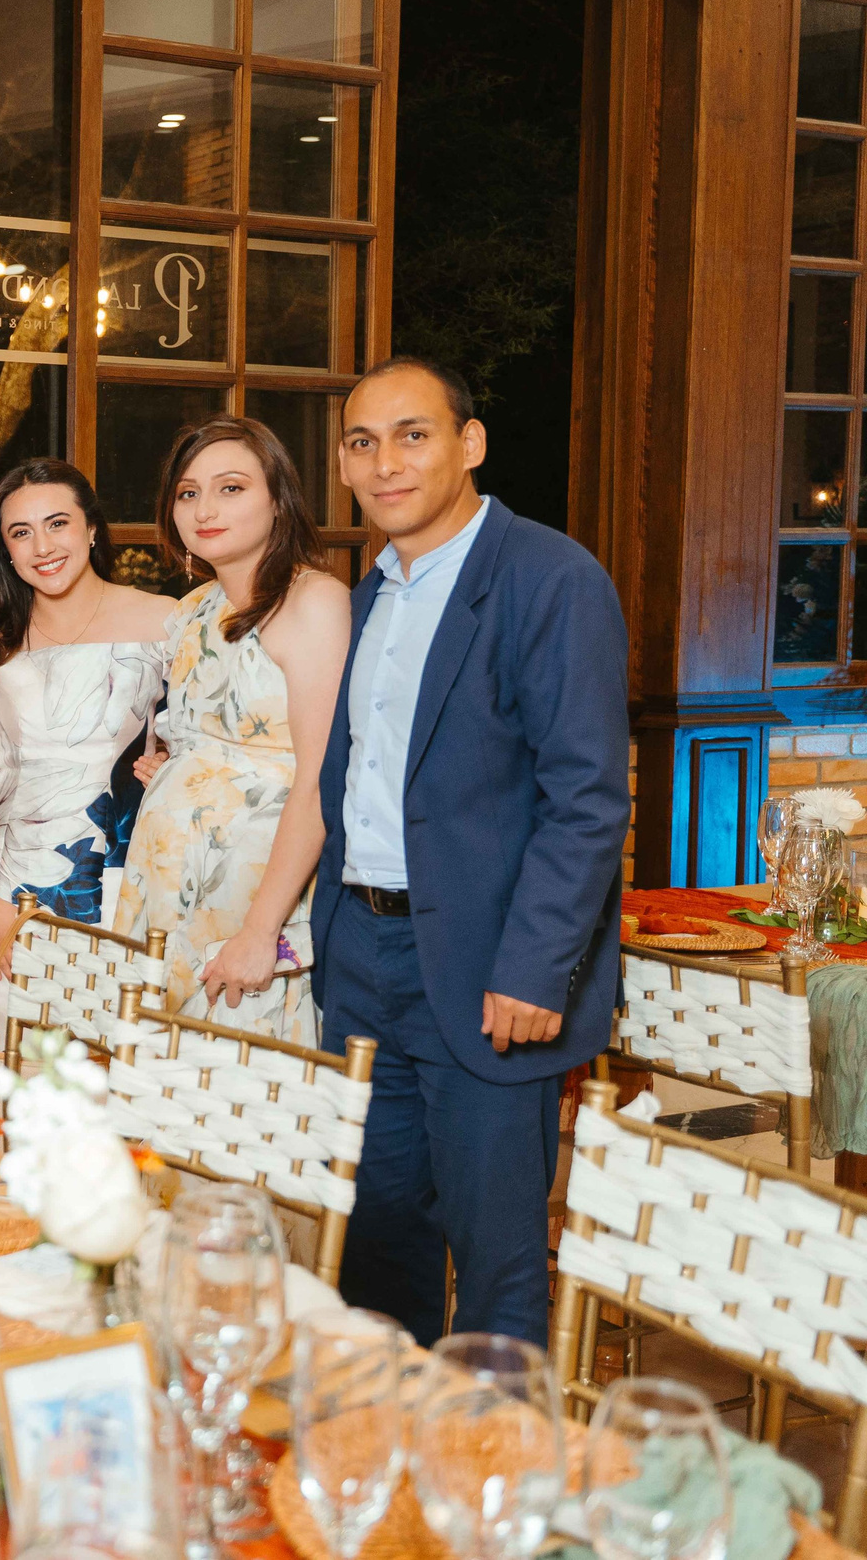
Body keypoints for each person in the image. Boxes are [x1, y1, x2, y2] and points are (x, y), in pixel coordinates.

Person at [315, 357, 628, 1346]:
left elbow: (584, 799)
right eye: (363, 443)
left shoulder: (549, 579)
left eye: (412, 435)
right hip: (361, 959)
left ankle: (501, 1484)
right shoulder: (368, 594)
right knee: (372, 1246)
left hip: (489, 970)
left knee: (495, 1270)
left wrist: (535, 969)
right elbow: (357, 778)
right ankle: (391, 1468)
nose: (386, 463)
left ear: (469, 443)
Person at [0, 461, 171, 1048]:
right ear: (7, 550)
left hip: (132, 885)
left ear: (92, 529)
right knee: (7, 1078)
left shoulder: (167, 623)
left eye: (57, 524)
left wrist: (176, 764)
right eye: (21, 533)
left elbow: (211, 737)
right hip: (13, 891)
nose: (42, 547)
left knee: (120, 1072)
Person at [111, 418, 351, 1044]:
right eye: (188, 493)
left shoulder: (313, 601)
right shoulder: (193, 608)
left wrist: (260, 933)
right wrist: (181, 771)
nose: (204, 509)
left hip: (253, 890)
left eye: (232, 487)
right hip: (167, 879)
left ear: (279, 501)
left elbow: (321, 780)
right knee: (158, 1085)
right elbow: (209, 740)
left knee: (244, 1087)